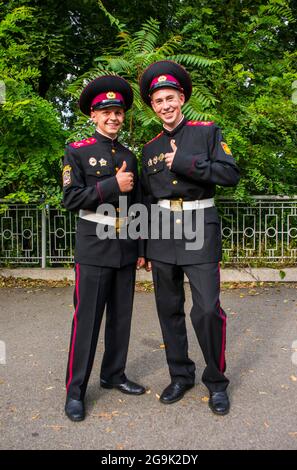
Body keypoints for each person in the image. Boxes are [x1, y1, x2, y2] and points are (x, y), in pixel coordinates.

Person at [139, 61, 240, 415]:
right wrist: (143, 245)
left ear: (181, 97)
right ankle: (181, 375)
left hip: (199, 228)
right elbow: (146, 199)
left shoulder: (207, 132)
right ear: (152, 107)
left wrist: (186, 163)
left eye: (170, 98)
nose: (165, 106)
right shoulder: (149, 149)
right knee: (169, 310)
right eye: (158, 101)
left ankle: (216, 381)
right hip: (162, 233)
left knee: (207, 310)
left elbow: (230, 176)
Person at [63, 75, 146, 422]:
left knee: (121, 319)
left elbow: (138, 202)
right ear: (93, 116)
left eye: (118, 112)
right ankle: (75, 391)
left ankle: (113, 374)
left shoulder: (129, 154)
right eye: (106, 111)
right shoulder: (77, 151)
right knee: (87, 321)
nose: (113, 117)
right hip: (94, 248)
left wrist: (141, 246)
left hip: (125, 247)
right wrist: (112, 184)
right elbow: (70, 198)